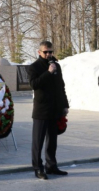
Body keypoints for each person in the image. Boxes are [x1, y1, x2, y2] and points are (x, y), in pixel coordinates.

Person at [27, 41, 70, 180]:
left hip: (55, 109)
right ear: (39, 52)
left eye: (50, 51)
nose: (49, 54)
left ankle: (51, 166)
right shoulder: (34, 67)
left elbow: (60, 87)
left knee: (52, 141)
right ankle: (38, 168)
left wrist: (64, 105)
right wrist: (48, 72)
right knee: (38, 142)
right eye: (45, 52)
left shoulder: (56, 65)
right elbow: (34, 84)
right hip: (41, 110)